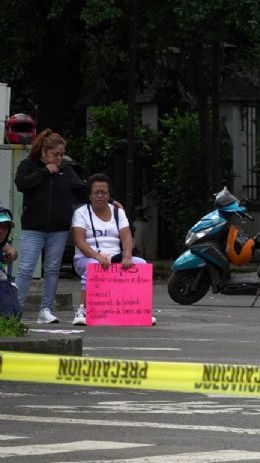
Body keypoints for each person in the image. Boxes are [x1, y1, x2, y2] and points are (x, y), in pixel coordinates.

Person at [13, 129, 87, 323]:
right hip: (33, 227)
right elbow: (21, 184)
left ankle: (46, 309)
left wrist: (108, 201)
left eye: (62, 155)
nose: (59, 159)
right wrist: (44, 172)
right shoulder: (28, 165)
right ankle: (16, 310)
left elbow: (82, 192)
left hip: (59, 228)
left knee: (52, 269)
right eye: (55, 154)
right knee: (26, 268)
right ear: (44, 151)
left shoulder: (66, 171)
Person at [70, 174, 151, 326]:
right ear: (90, 195)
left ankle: (139, 310)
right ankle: (83, 309)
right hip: (87, 257)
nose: (100, 196)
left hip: (115, 256)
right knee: (92, 268)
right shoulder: (81, 213)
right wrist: (96, 256)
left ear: (109, 195)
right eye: (96, 192)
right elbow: (79, 241)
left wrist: (127, 256)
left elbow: (126, 237)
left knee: (140, 264)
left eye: (104, 193)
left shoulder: (118, 212)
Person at [0, 206, 19, 280]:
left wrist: (11, 255)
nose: (1, 231)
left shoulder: (2, 245)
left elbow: (12, 251)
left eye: (5, 227)